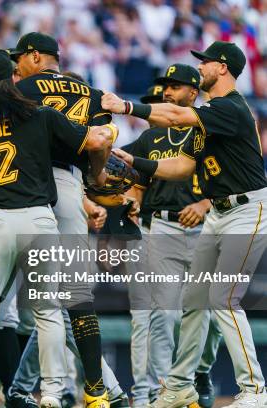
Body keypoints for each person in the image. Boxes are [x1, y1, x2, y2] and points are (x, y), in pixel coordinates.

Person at [0, 48, 115, 408]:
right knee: (47, 310)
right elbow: (96, 141)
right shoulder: (41, 116)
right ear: (12, 78)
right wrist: (110, 130)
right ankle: (52, 392)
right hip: (39, 217)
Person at [103, 41, 267, 408]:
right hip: (219, 215)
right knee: (195, 302)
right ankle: (179, 385)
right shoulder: (211, 112)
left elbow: (175, 117)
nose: (201, 68)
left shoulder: (231, 108)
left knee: (223, 298)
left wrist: (127, 106)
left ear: (222, 67)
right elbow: (182, 167)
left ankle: (255, 389)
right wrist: (135, 161)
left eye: (205, 62)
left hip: (247, 210)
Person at [9, 32, 126, 408]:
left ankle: (31, 390)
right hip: (70, 183)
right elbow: (101, 143)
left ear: (34, 56)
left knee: (27, 300)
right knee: (73, 296)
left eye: (20, 58)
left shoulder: (20, 87)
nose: (16, 65)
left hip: (23, 184)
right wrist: (95, 178)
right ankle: (98, 390)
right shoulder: (91, 93)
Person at [122, 65, 220, 408]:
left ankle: (200, 371)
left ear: (192, 93)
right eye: (165, 85)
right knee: (165, 314)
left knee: (212, 313)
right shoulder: (151, 138)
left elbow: (235, 179)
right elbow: (136, 185)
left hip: (206, 228)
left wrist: (206, 203)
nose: (167, 91)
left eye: (175, 86)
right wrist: (132, 201)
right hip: (161, 227)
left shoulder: (210, 131)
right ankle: (168, 390)